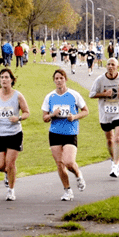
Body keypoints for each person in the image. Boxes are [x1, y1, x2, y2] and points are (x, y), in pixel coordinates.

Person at [41, 69, 89, 201]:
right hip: (55, 133)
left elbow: (85, 111)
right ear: (54, 80)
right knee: (59, 164)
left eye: (61, 78)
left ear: (65, 79)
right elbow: (44, 118)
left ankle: (78, 174)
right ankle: (67, 190)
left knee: (68, 162)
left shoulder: (74, 95)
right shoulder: (49, 97)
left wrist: (74, 116)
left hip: (70, 132)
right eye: (56, 78)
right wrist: (52, 115)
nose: (58, 81)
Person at [0, 68, 30, 201]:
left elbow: (26, 112)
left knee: (10, 164)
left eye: (6, 77)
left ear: (12, 80)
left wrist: (18, 118)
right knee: (1, 166)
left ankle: (11, 191)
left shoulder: (18, 95)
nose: (4, 80)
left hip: (13, 133)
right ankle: (8, 174)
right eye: (1, 77)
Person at [89, 58, 119, 178]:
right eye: (108, 64)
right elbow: (91, 94)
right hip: (105, 113)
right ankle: (113, 159)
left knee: (117, 138)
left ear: (117, 67)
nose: (110, 66)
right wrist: (104, 94)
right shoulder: (100, 80)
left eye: (113, 64)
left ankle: (115, 166)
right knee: (110, 140)